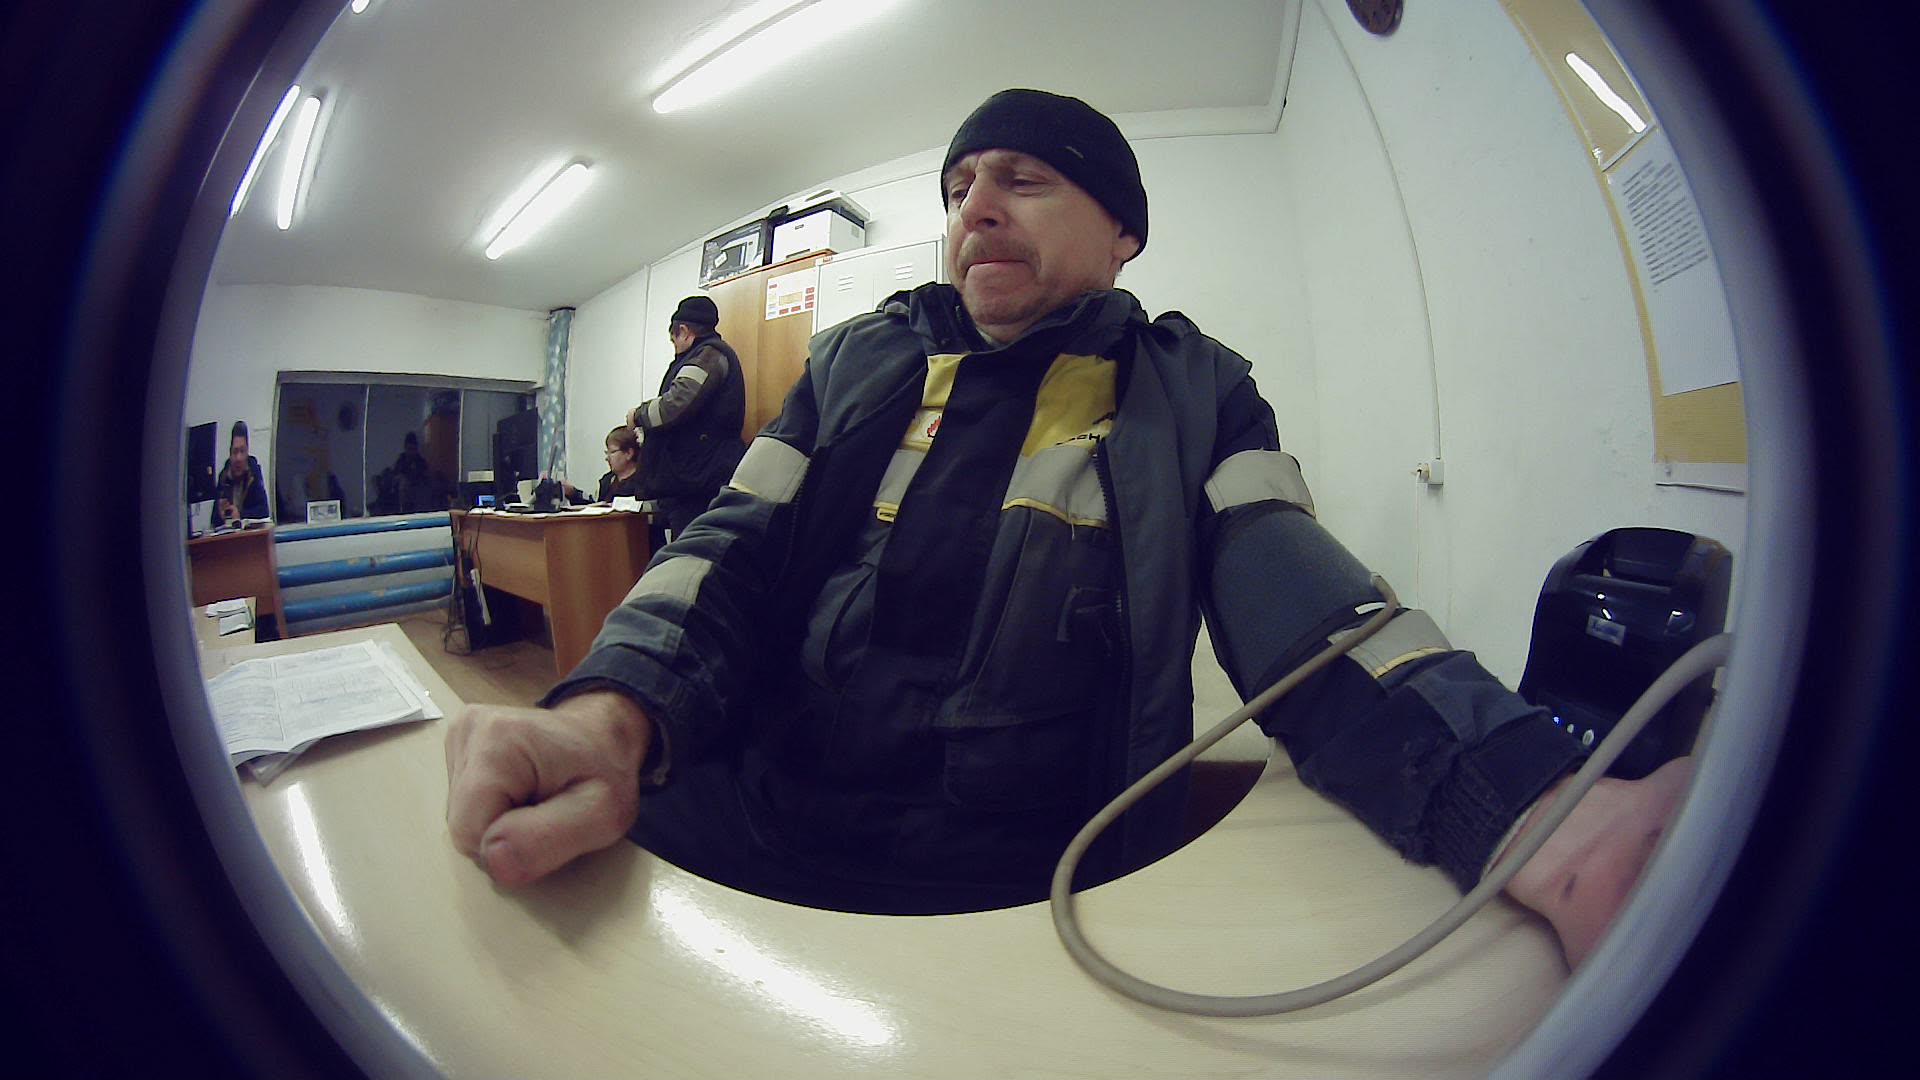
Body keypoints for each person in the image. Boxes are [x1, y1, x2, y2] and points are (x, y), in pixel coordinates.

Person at [445, 88, 1691, 964]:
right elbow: (726, 549)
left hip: (1022, 879)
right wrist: (608, 717)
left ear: (1123, 231)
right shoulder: (854, 363)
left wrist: (1531, 811)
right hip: (755, 808)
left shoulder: (1196, 393)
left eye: (1024, 180)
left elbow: (1301, 605)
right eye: (958, 188)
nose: (976, 207)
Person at [622, 295, 748, 538]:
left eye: (674, 340)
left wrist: (638, 415)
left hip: (699, 479)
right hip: (697, 476)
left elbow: (676, 403)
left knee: (693, 550)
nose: (675, 347)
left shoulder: (707, 355)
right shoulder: (708, 355)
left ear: (684, 331)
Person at [564, 426, 648, 504]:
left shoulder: (643, 482)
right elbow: (597, 508)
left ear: (629, 453)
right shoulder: (606, 481)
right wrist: (573, 493)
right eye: (607, 453)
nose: (607, 458)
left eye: (612, 452)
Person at [210, 420, 267, 528]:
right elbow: (213, 521)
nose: (238, 458)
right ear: (230, 453)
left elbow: (263, 511)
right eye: (235, 452)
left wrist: (240, 515)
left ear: (247, 452)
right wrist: (220, 514)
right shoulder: (223, 477)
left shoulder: (253, 473)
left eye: (242, 451)